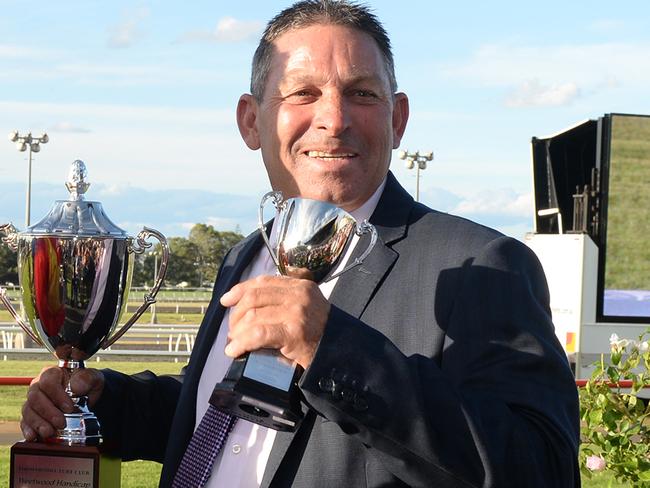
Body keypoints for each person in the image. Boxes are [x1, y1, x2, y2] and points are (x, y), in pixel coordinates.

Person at [20, 1, 581, 486]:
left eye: (361, 93)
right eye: (303, 93)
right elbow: (237, 414)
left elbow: (540, 467)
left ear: (399, 118)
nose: (333, 119)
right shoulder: (247, 255)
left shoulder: (483, 265)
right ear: (251, 122)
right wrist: (107, 402)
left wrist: (331, 348)